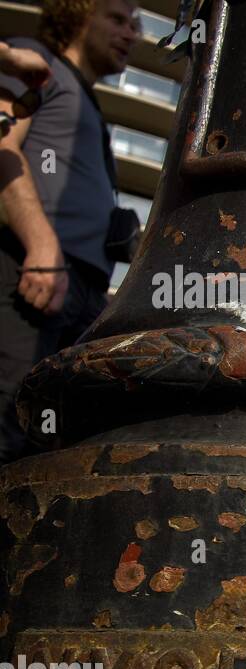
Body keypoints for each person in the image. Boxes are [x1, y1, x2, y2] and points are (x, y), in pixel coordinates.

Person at [0, 0, 140, 466]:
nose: (132, 34)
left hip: (76, 293)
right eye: (118, 19)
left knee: (44, 449)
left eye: (135, 24)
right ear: (77, 16)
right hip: (30, 274)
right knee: (9, 427)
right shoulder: (34, 64)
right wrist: (41, 246)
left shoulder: (88, 103)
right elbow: (1, 144)